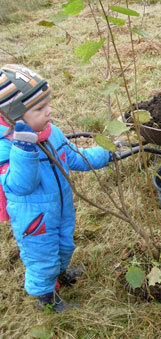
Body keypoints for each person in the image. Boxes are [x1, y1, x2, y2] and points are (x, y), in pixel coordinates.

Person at [0, 64, 113, 311]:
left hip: (61, 207)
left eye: (48, 104)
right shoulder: (7, 149)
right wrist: (24, 148)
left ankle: (60, 275)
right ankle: (46, 299)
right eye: (40, 109)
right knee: (42, 259)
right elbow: (21, 186)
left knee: (64, 243)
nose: (49, 112)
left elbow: (75, 157)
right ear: (14, 117)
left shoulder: (51, 133)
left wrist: (108, 153)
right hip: (35, 221)